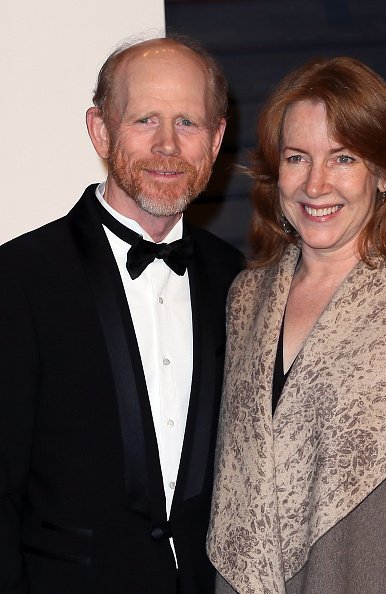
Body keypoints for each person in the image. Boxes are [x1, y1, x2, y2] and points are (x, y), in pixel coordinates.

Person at [0, 36, 243, 594]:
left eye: (188, 122)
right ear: (100, 131)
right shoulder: (19, 279)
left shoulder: (238, 281)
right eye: (144, 120)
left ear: (217, 139)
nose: (167, 146)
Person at [207, 56, 386, 594]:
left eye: (343, 158)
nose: (316, 184)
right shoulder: (248, 297)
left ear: (384, 172)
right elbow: (239, 491)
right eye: (298, 157)